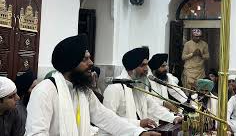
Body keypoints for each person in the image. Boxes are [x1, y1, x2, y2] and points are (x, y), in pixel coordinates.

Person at [25, 35, 158, 136]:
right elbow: (36, 133)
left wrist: (138, 133)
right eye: (85, 59)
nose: (91, 63)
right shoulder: (44, 91)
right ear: (71, 62)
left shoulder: (83, 91)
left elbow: (105, 118)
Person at [103, 48, 183, 129]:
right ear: (131, 69)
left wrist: (173, 118)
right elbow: (108, 120)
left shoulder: (140, 86)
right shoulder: (115, 88)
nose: (146, 69)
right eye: (142, 65)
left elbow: (152, 106)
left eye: (147, 65)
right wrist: (139, 123)